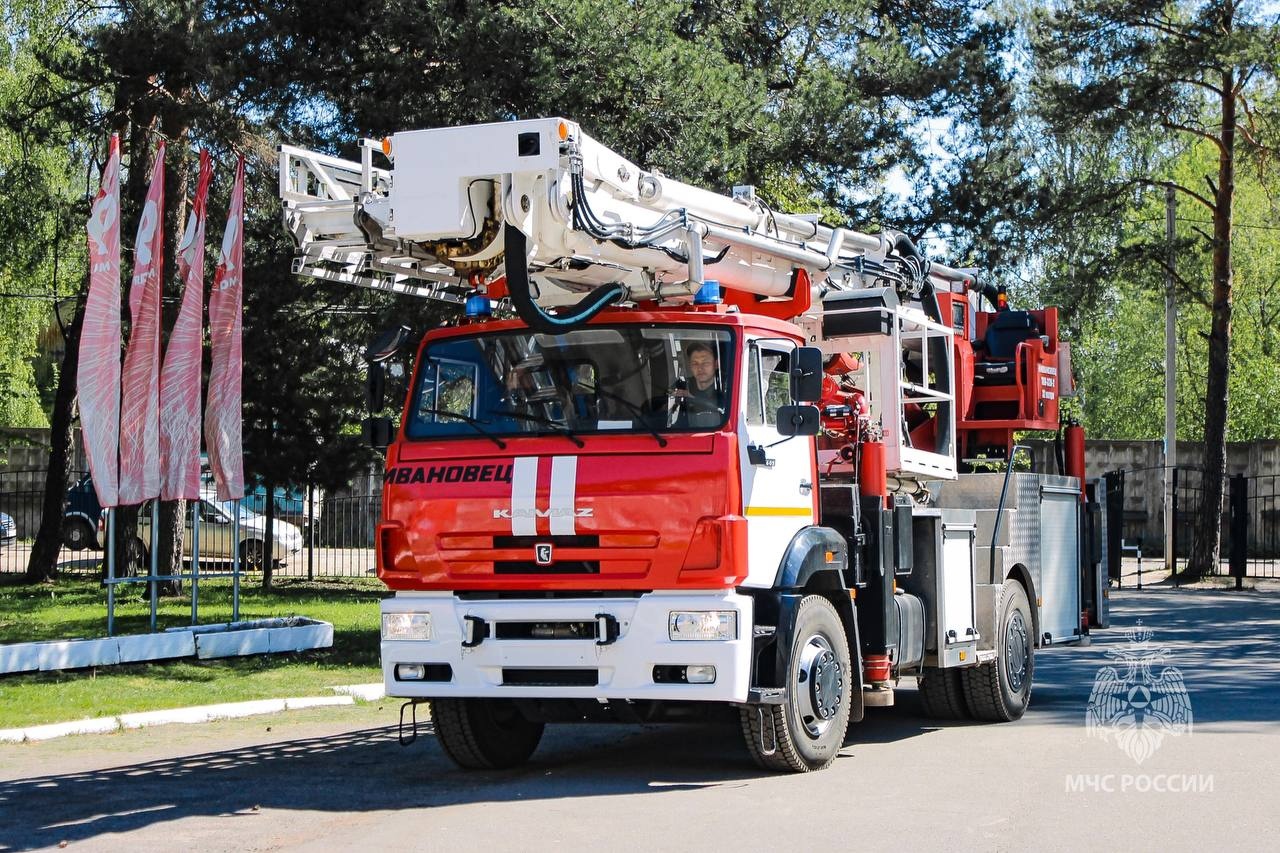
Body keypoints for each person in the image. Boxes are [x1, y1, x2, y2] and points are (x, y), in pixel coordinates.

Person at [673, 342, 725, 428]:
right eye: (695, 363)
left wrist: (692, 398)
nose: (700, 368)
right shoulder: (683, 385)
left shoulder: (727, 388)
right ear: (690, 366)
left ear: (716, 364)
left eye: (705, 363)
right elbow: (666, 394)